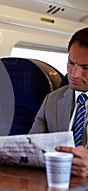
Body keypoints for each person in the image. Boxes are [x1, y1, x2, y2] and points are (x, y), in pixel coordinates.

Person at [29, 27, 88, 177]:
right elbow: (32, 147)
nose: (74, 74)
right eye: (71, 63)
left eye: (85, 67)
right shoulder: (52, 100)